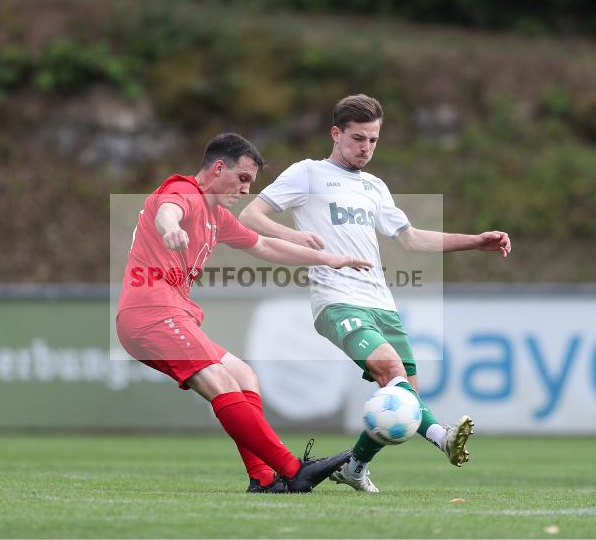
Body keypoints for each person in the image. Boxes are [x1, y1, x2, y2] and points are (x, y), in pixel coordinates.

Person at [239, 94, 512, 493]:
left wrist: (475, 241)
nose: (365, 148)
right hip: (336, 299)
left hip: (382, 303)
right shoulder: (309, 173)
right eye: (357, 138)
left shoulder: (374, 187)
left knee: (405, 398)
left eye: (372, 140)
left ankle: (355, 466)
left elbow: (413, 239)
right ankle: (442, 437)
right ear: (336, 134)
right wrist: (294, 235)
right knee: (393, 374)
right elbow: (251, 215)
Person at [116, 132, 373, 493]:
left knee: (244, 375)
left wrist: (329, 258)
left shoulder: (215, 216)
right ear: (218, 167)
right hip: (151, 312)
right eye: (243, 179)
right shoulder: (187, 191)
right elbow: (167, 209)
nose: (246, 190)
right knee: (219, 381)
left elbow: (265, 246)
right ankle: (291, 469)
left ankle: (264, 478)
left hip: (168, 313)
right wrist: (170, 227)